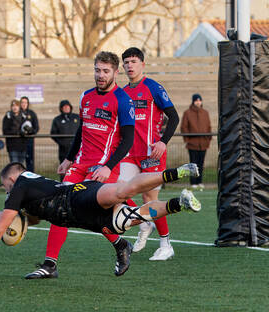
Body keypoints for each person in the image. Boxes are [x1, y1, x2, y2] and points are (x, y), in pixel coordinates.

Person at [0, 162, 201, 273]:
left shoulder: (19, 183)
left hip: (74, 198)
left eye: (4, 187)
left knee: (121, 191)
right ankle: (179, 203)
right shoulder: (28, 191)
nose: (6, 192)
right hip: (78, 217)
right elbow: (37, 218)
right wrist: (24, 221)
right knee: (131, 218)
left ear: (11, 179)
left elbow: (0, 225)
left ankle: (176, 172)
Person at [26, 51, 135, 280]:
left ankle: (122, 242)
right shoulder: (85, 96)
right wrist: (68, 158)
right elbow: (81, 131)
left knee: (90, 213)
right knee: (59, 208)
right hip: (79, 164)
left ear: (116, 72)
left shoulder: (123, 100)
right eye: (97, 70)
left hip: (104, 167)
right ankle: (50, 265)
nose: (100, 75)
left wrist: (108, 166)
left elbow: (128, 140)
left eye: (105, 71)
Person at [118, 47, 180, 261]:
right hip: (129, 153)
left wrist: (163, 141)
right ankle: (144, 223)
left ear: (142, 64)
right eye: (126, 62)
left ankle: (166, 245)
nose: (129, 65)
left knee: (149, 198)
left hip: (151, 153)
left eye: (133, 61)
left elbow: (174, 117)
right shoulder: (122, 92)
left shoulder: (153, 87)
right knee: (119, 191)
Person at [180, 93, 212, 190]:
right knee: (193, 164)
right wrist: (187, 140)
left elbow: (208, 126)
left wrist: (208, 139)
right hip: (192, 144)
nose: (198, 102)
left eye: (199, 100)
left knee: (201, 164)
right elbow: (184, 127)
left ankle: (199, 181)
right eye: (196, 100)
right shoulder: (187, 113)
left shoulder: (205, 113)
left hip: (203, 144)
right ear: (193, 102)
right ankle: (193, 182)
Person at [50, 100, 80, 181]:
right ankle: (63, 185)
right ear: (61, 108)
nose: (66, 108)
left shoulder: (77, 117)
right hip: (64, 150)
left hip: (78, 149)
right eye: (64, 107)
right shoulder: (57, 120)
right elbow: (53, 133)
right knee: (64, 169)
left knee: (76, 168)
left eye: (68, 106)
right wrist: (61, 143)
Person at [20, 96, 39, 172]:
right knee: (20, 161)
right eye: (22, 102)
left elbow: (36, 127)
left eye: (25, 102)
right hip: (20, 141)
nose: (24, 104)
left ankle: (31, 179)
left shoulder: (32, 113)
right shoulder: (18, 113)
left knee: (30, 161)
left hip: (29, 141)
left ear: (28, 104)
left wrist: (31, 131)